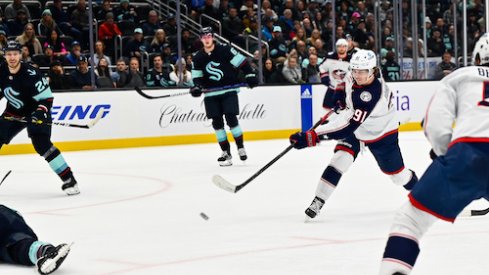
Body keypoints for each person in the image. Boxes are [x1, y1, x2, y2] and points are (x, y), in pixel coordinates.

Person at [378, 33, 489, 275]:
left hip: (469, 153)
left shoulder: (461, 76)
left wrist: (444, 153)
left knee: (410, 220)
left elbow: (435, 125)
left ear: (478, 57)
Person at [289, 49, 418, 219]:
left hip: (381, 133)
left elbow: (345, 127)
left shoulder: (370, 94)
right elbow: (343, 83)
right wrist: (340, 97)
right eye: (355, 70)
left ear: (373, 71)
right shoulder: (353, 74)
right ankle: (319, 200)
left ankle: (422, 192)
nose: (358, 75)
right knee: (340, 159)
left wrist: (312, 136)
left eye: (363, 71)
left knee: (398, 177)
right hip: (358, 129)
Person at [0, 41, 79, 195]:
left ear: (20, 55)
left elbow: (47, 99)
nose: (12, 57)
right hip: (13, 112)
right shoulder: (1, 71)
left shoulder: (32, 74)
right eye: (9, 54)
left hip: (37, 112)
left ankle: (69, 179)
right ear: (4, 55)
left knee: (42, 145)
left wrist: (40, 112)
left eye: (15, 54)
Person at [190, 27, 258, 166]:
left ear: (213, 37)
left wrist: (250, 75)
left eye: (209, 36)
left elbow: (243, 63)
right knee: (217, 123)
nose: (207, 39)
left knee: (231, 118)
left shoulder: (225, 50)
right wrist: (197, 86)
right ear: (201, 39)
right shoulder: (198, 57)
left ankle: (240, 147)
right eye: (204, 37)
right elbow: (197, 77)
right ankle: (226, 152)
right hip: (211, 94)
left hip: (228, 91)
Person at [0, 204, 72, 274]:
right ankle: (45, 252)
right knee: (17, 248)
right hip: (9, 220)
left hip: (8, 221)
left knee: (17, 244)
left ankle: (47, 252)